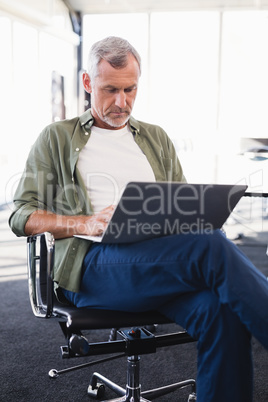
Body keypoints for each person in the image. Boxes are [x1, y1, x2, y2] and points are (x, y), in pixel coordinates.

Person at [9, 36, 268, 402]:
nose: (121, 102)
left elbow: (183, 205)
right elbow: (21, 214)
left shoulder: (155, 137)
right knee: (211, 248)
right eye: (110, 90)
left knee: (220, 312)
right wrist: (84, 223)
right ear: (87, 83)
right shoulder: (57, 137)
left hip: (157, 262)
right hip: (93, 265)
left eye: (130, 89)